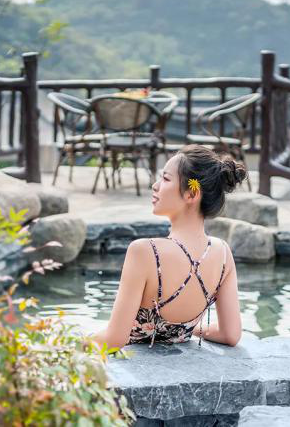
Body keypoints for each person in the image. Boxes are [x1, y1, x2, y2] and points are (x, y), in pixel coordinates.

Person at [91, 144, 245, 350]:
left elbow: (114, 339)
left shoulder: (144, 251)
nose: (155, 186)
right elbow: (230, 334)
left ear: (191, 194)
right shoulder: (223, 253)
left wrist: (63, 345)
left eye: (165, 179)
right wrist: (188, 328)